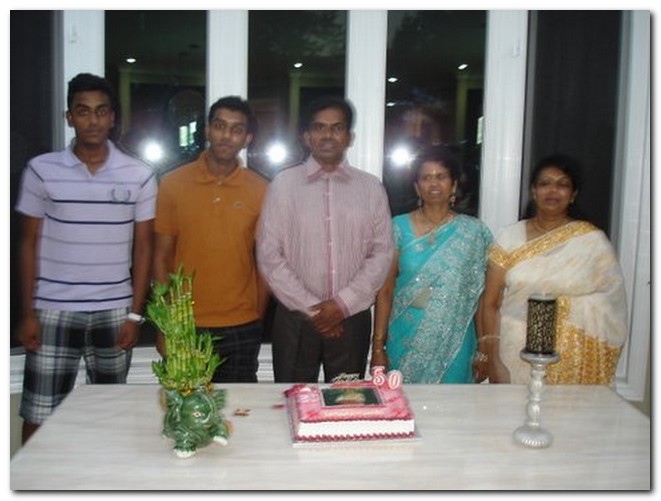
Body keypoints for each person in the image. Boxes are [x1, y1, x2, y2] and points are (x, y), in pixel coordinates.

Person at [15, 73, 157, 443]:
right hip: (53, 310)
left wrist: (134, 315)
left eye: (101, 111)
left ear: (112, 117)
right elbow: (27, 243)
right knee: (39, 413)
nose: (93, 120)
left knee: (110, 413)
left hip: (114, 312)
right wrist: (26, 313)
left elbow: (144, 248)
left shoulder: (139, 175)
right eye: (83, 111)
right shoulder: (41, 170)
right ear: (69, 117)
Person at [256, 96, 394, 383]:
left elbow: (381, 253)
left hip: (351, 318)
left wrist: (341, 305)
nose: (328, 135)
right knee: (292, 399)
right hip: (295, 317)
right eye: (319, 127)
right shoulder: (283, 185)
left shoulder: (371, 188)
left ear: (349, 137)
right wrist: (315, 310)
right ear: (306, 136)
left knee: (347, 401)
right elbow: (269, 254)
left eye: (337, 128)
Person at [481, 154, 628, 385]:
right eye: (545, 183)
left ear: (573, 194)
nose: (553, 191)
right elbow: (489, 303)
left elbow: (612, 304)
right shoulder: (509, 237)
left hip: (572, 358)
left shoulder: (592, 242)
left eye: (562, 184)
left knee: (560, 410)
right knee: (512, 408)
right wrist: (492, 359)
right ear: (533, 191)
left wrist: (564, 310)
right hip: (513, 352)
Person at [153, 96, 268, 383]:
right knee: (185, 405)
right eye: (219, 126)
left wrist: (257, 315)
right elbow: (162, 256)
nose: (226, 135)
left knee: (239, 406)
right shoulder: (172, 183)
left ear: (247, 139)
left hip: (241, 323)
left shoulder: (262, 190)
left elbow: (266, 261)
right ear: (207, 130)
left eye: (236, 129)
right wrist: (165, 324)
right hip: (184, 323)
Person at [370, 145, 493, 384]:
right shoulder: (397, 227)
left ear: (454, 185)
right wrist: (377, 347)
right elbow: (385, 291)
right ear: (417, 187)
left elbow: (478, 296)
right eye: (426, 178)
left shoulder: (473, 232)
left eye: (441, 177)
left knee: (451, 404)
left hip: (456, 343)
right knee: (404, 403)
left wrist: (483, 348)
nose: (434, 184)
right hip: (404, 338)